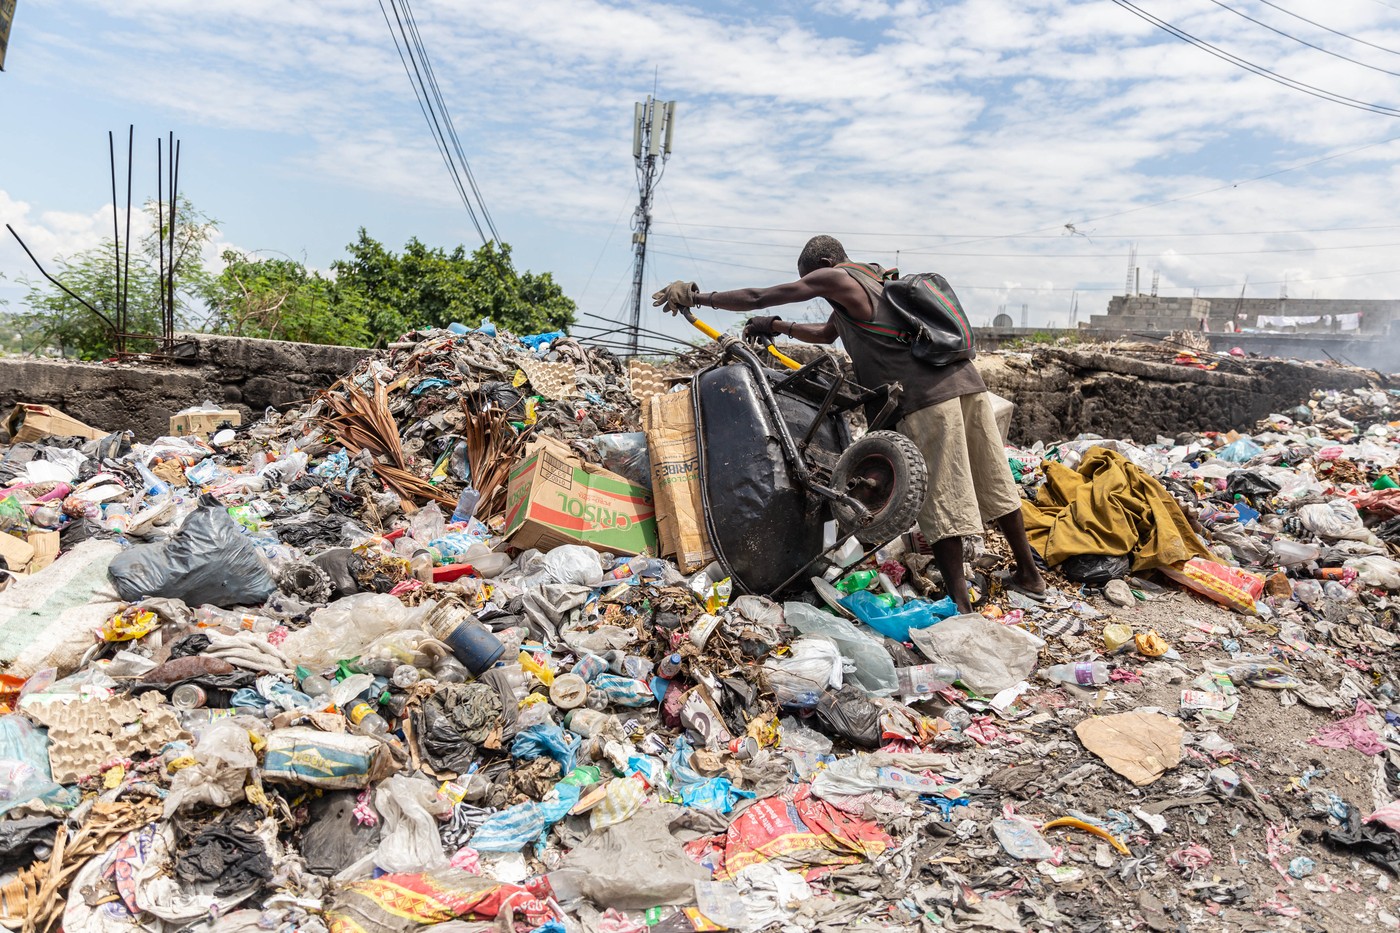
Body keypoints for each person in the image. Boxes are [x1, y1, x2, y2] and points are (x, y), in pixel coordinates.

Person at [651, 234, 1046, 612]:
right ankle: (1029, 575)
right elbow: (825, 333)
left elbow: (760, 295)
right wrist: (774, 326)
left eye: (813, 280)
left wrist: (698, 297)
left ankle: (960, 606)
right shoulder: (875, 280)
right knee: (993, 478)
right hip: (966, 384)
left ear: (824, 265)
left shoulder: (836, 276)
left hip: (926, 399)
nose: (814, 288)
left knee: (941, 497)